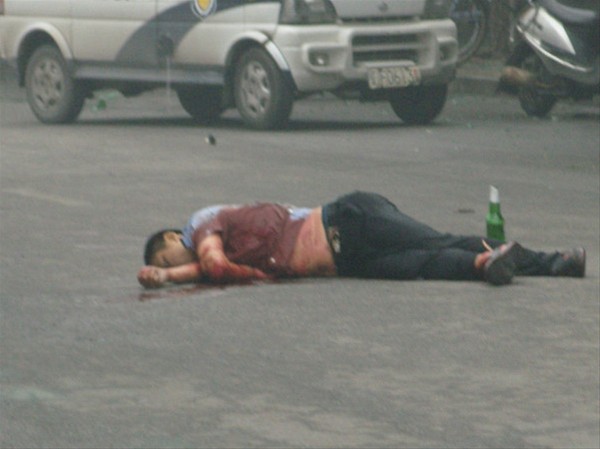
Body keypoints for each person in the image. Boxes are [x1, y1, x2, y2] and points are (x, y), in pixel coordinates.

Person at [137, 191, 586, 288]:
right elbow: (206, 270)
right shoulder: (204, 255)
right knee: (424, 267)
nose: (173, 261)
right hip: (346, 261)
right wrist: (167, 276)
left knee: (435, 242)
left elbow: (213, 266)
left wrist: (169, 277)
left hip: (348, 221)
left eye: (167, 255)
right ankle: (490, 264)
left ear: (176, 235)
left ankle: (555, 260)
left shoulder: (202, 222)